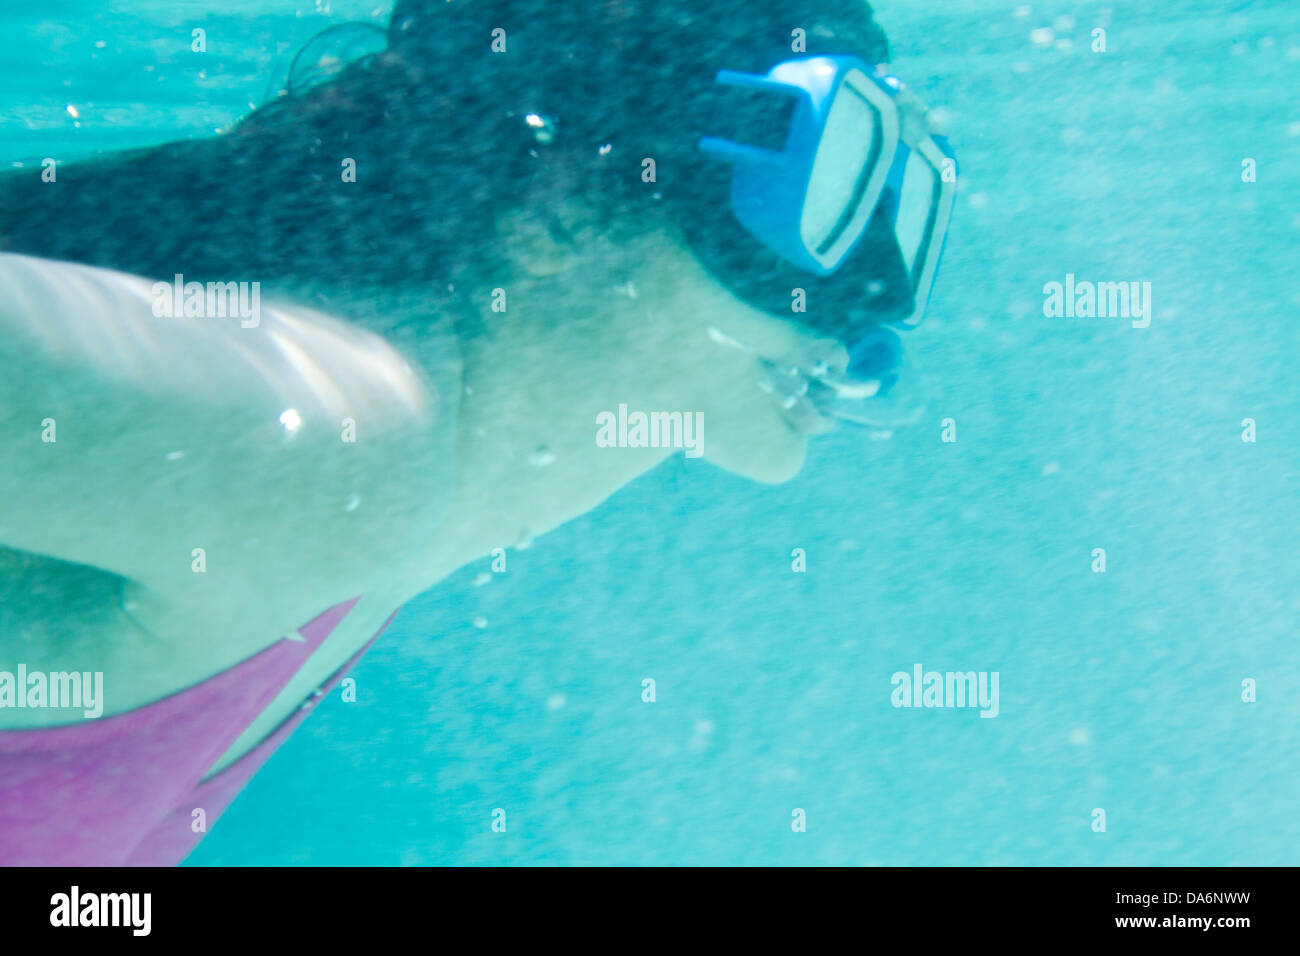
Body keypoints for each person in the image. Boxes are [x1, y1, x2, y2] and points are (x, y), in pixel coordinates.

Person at [0, 0, 955, 865]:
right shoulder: (341, 454)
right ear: (563, 204)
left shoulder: (388, 521)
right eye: (830, 180)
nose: (872, 305)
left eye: (912, 209)